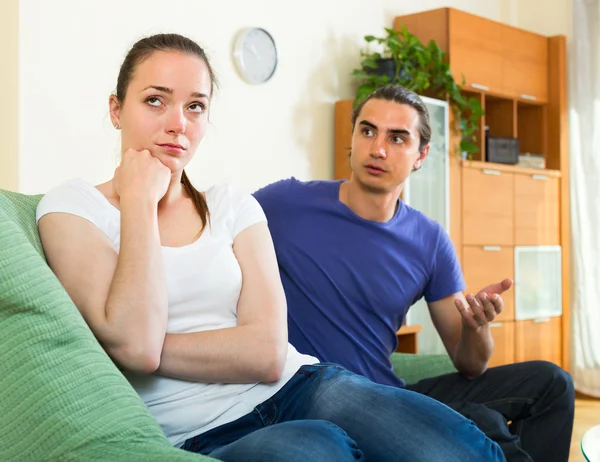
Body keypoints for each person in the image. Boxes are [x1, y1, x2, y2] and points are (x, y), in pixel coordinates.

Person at [35, 34, 505, 461]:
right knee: (320, 448)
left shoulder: (232, 205)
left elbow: (265, 353)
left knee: (458, 449)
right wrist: (138, 201)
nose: (178, 123)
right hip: (199, 431)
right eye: (155, 100)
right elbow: (135, 345)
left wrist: (149, 351)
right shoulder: (73, 206)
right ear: (117, 109)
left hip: (301, 385)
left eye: (195, 106)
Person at [253, 85, 575, 462]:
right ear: (353, 136)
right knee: (480, 423)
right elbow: (211, 232)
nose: (378, 149)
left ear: (421, 155)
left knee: (553, 383)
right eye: (368, 131)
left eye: (397, 138)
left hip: (392, 394)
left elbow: (470, 364)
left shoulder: (430, 240)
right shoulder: (285, 204)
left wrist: (477, 327)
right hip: (315, 396)